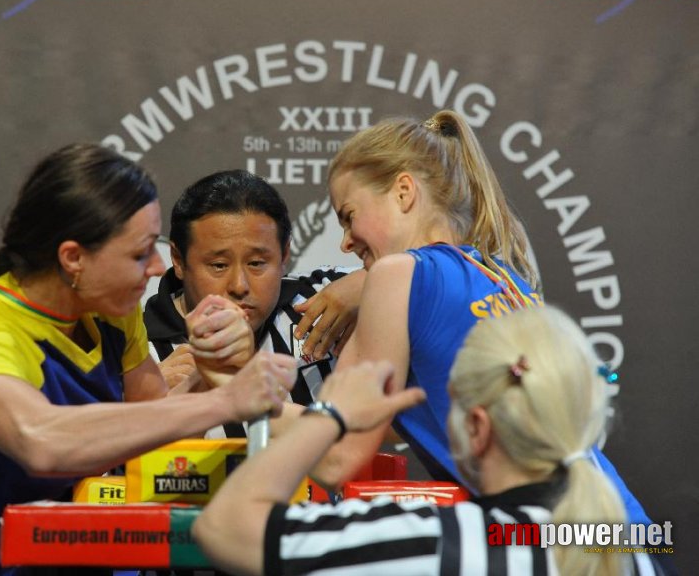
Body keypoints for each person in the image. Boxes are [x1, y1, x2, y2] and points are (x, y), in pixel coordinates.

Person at [0, 144, 297, 574]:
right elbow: (42, 442)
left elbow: (151, 428)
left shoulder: (112, 314)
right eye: (140, 252)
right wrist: (228, 400)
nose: (158, 268)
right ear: (73, 259)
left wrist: (205, 366)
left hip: (80, 561)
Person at [301, 110, 651, 526]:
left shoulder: (394, 276)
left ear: (403, 192)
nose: (344, 242)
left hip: (550, 543)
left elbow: (340, 454)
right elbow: (417, 418)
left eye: (349, 215)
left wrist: (242, 402)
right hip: (620, 529)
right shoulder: (502, 275)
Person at [194, 305, 668, 576]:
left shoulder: (435, 541)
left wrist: (329, 416)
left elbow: (224, 529)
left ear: (477, 428)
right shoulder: (627, 548)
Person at [144, 169, 365, 437]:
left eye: (257, 263)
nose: (239, 285)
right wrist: (140, 409)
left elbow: (428, 268)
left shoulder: (323, 296)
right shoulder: (139, 354)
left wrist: (374, 280)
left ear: (284, 255)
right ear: (179, 261)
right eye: (218, 265)